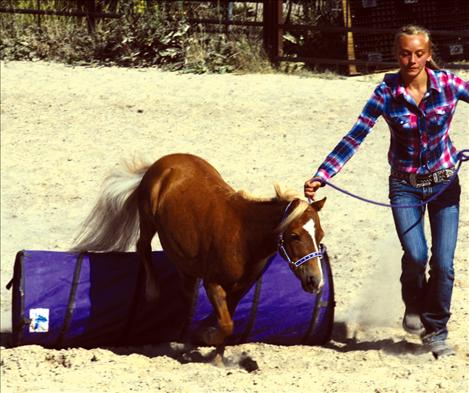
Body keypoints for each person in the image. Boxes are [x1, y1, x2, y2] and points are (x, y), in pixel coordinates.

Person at [304, 25, 468, 358]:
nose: (412, 60)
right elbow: (356, 136)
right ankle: (413, 302)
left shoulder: (449, 85)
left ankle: (435, 330)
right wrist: (323, 174)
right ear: (397, 54)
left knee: (444, 263)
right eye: (406, 53)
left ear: (428, 54)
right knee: (417, 255)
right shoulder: (385, 93)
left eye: (419, 53)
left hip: (445, 184)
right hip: (405, 187)